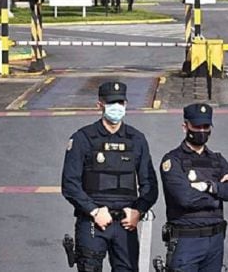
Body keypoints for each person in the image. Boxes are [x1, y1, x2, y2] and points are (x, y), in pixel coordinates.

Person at [62, 81, 159, 272]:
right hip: (93, 222)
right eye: (111, 102)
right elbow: (70, 184)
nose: (116, 107)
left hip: (126, 224)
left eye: (120, 102)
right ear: (100, 105)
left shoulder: (137, 139)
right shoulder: (83, 138)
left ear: (126, 104)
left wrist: (138, 212)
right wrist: (94, 211)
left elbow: (149, 184)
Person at [156, 103, 228, 272]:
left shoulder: (217, 160)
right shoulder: (173, 160)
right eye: (196, 126)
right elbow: (185, 199)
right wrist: (219, 195)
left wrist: (209, 187)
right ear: (185, 127)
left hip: (215, 241)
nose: (201, 131)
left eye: (206, 126)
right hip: (186, 240)